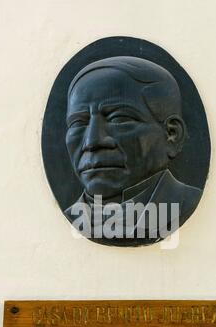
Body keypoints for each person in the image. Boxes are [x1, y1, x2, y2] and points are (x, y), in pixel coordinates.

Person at [64, 56, 202, 246]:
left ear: (172, 135)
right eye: (78, 123)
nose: (92, 141)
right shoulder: (69, 216)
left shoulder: (187, 203)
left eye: (119, 119)